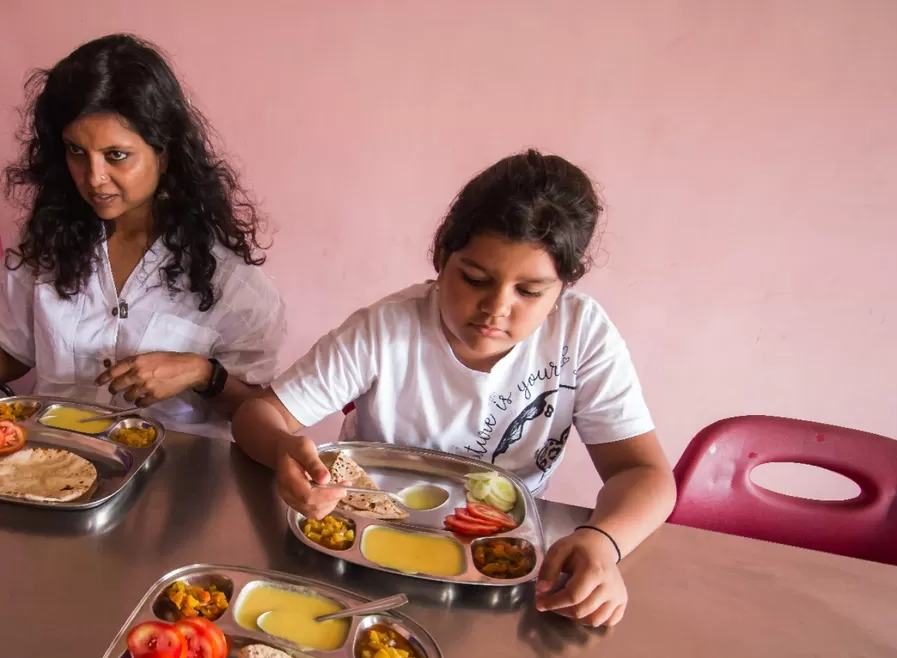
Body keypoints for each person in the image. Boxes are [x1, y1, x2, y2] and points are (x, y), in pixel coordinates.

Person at [233, 150, 677, 629]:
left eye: (529, 292)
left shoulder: (581, 335)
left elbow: (644, 474)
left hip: (501, 562)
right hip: (368, 550)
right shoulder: (386, 331)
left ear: (563, 289)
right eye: (475, 279)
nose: (496, 308)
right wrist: (282, 448)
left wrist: (602, 542)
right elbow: (257, 416)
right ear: (441, 258)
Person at [0, 34, 285, 438]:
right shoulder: (51, 245)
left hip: (173, 491)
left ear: (164, 155)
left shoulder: (230, 283)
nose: (94, 178)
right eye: (76, 152)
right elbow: (12, 355)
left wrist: (204, 374)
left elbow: (261, 415)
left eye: (117, 156)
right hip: (54, 465)